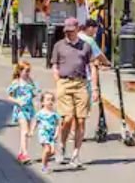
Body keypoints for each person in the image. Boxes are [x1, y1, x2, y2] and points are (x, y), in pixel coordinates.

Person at [50, 17, 93, 168]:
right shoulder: (59, 45)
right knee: (67, 118)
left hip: (81, 83)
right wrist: (58, 82)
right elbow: (54, 65)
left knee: (81, 120)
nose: (68, 33)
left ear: (77, 30)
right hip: (65, 82)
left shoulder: (86, 46)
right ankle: (61, 146)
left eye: (71, 31)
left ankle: (75, 154)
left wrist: (93, 85)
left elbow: (90, 65)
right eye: (66, 31)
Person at [7, 61, 40, 164]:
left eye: (29, 71)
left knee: (28, 132)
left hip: (30, 109)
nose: (28, 73)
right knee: (24, 131)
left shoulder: (30, 81)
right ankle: (25, 154)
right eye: (26, 71)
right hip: (21, 109)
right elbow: (9, 96)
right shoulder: (16, 83)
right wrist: (17, 101)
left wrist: (37, 99)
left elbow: (34, 93)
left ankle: (21, 152)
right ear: (20, 71)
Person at [32, 92, 61, 173]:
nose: (50, 102)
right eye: (48, 100)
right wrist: (32, 131)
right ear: (43, 102)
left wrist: (57, 133)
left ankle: (44, 159)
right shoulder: (40, 113)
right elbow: (36, 122)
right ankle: (44, 166)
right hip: (43, 133)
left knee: (52, 151)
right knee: (47, 149)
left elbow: (58, 124)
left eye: (52, 100)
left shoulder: (54, 114)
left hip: (51, 134)